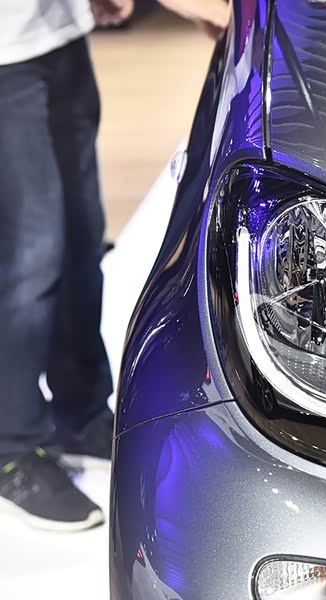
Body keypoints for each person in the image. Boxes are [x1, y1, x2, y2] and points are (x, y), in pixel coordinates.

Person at [0, 0, 227, 531]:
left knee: (82, 239)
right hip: (6, 58)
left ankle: (80, 415)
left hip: (57, 35)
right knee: (30, 254)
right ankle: (12, 450)